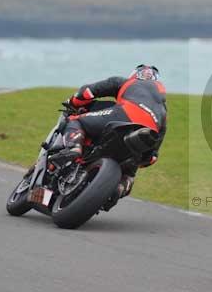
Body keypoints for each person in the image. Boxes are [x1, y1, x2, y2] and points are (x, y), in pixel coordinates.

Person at [52, 64, 167, 202]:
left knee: (76, 121)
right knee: (129, 173)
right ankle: (119, 189)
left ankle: (74, 148)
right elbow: (152, 157)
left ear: (135, 74)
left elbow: (88, 92)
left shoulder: (126, 82)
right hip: (147, 134)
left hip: (124, 114)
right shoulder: (163, 110)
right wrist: (140, 161)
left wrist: (73, 102)